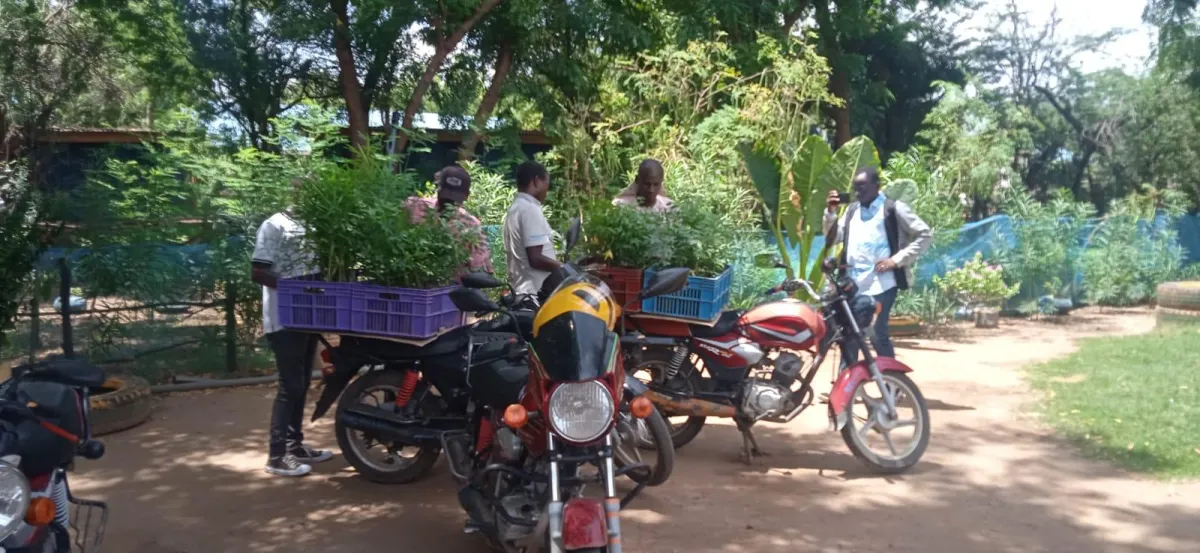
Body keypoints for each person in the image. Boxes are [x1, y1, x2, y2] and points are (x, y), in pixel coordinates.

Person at [251, 179, 334, 477]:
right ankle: (276, 456)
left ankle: (294, 445)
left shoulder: (313, 225)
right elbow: (258, 271)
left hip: (307, 317)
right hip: (283, 317)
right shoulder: (274, 225)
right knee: (291, 386)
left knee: (301, 382)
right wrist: (294, 291)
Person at [823, 166, 932, 365]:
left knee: (876, 334)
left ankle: (893, 385)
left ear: (876, 186)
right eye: (855, 188)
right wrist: (830, 213)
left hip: (882, 284)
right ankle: (846, 390)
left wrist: (896, 260)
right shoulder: (852, 211)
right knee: (850, 336)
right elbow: (832, 238)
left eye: (863, 187)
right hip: (853, 285)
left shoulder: (893, 208)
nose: (858, 192)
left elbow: (924, 234)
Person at [404, 164, 493, 273]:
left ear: (467, 196)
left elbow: (479, 265)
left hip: (451, 286)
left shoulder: (471, 224)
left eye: (454, 199)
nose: (449, 203)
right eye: (445, 196)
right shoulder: (414, 206)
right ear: (438, 187)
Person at [502, 160, 561, 296]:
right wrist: (563, 268)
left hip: (522, 289)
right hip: (537, 292)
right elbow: (535, 258)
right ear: (536, 181)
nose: (547, 189)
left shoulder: (516, 208)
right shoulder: (530, 210)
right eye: (546, 184)